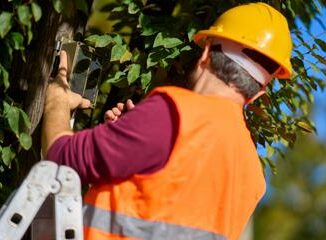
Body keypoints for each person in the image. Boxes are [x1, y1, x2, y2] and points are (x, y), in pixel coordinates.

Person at [42, 2, 292, 240]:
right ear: (258, 93)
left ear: (205, 53)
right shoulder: (252, 176)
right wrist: (133, 135)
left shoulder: (175, 113)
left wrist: (57, 102)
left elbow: (64, 159)